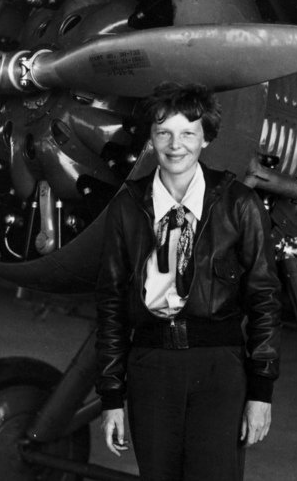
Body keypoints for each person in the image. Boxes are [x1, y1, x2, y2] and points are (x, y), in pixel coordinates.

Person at [95, 82, 282, 481]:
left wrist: (260, 392)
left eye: (187, 133)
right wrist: (111, 397)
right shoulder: (127, 207)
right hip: (150, 367)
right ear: (150, 138)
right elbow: (111, 306)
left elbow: (264, 299)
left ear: (206, 139)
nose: (174, 145)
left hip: (218, 368)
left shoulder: (239, 204)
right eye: (163, 132)